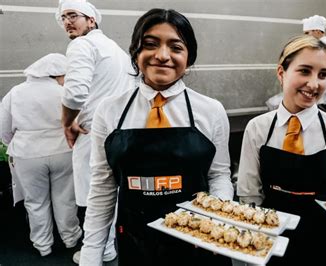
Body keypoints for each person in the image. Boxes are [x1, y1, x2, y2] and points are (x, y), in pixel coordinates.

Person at [79, 8, 234, 265]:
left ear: (189, 57)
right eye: (150, 45)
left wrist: (220, 224)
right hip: (136, 239)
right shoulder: (109, 110)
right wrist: (90, 255)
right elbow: (102, 187)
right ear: (135, 52)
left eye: (176, 47)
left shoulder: (211, 110)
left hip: (198, 243)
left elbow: (218, 175)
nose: (162, 56)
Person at [237, 34, 326, 265]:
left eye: (323, 74)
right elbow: (250, 194)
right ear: (281, 73)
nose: (314, 84)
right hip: (271, 239)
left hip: (323, 241)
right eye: (304, 71)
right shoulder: (258, 128)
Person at [55, 0, 134, 262]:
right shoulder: (117, 50)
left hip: (94, 136)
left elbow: (76, 93)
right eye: (63, 17)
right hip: (122, 135)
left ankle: (97, 251)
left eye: (73, 16)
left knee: (95, 197)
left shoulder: (81, 44)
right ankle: (109, 246)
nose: (67, 21)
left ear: (92, 20)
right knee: (114, 193)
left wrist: (67, 122)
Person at [0, 53, 82, 257]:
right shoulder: (63, 92)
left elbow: (4, 128)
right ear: (56, 75)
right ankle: (70, 238)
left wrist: (15, 144)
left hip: (27, 153)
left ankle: (43, 245)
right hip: (62, 150)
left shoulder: (16, 92)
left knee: (35, 201)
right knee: (65, 198)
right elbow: (77, 121)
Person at [302, 15, 326, 112]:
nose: (305, 37)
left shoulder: (323, 47)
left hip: (319, 100)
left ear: (317, 31)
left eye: (307, 33)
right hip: (322, 99)